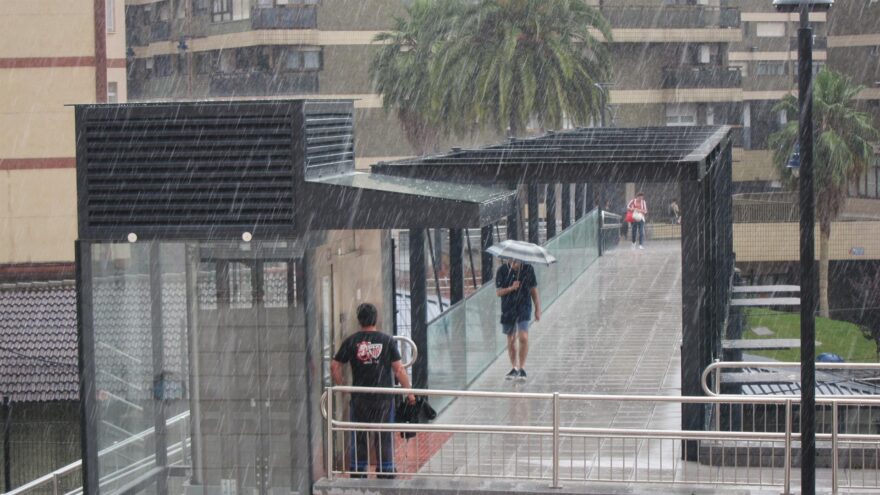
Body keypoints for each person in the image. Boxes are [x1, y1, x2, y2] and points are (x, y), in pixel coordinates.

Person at [331, 303, 415, 478]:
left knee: (359, 435)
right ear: (375, 318)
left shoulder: (352, 341)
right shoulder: (387, 340)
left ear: (359, 320)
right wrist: (410, 392)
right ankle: (386, 470)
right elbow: (399, 370)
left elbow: (334, 366)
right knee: (383, 435)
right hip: (383, 398)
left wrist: (343, 387)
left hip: (360, 397)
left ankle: (358, 470)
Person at [495, 258, 541, 381]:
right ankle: (514, 367)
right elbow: (498, 293)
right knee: (511, 339)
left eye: (518, 261)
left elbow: (533, 290)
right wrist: (511, 288)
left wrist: (537, 308)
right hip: (508, 308)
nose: (516, 264)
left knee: (523, 336)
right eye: (514, 261)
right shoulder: (502, 270)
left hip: (524, 307)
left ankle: (522, 367)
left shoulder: (528, 269)